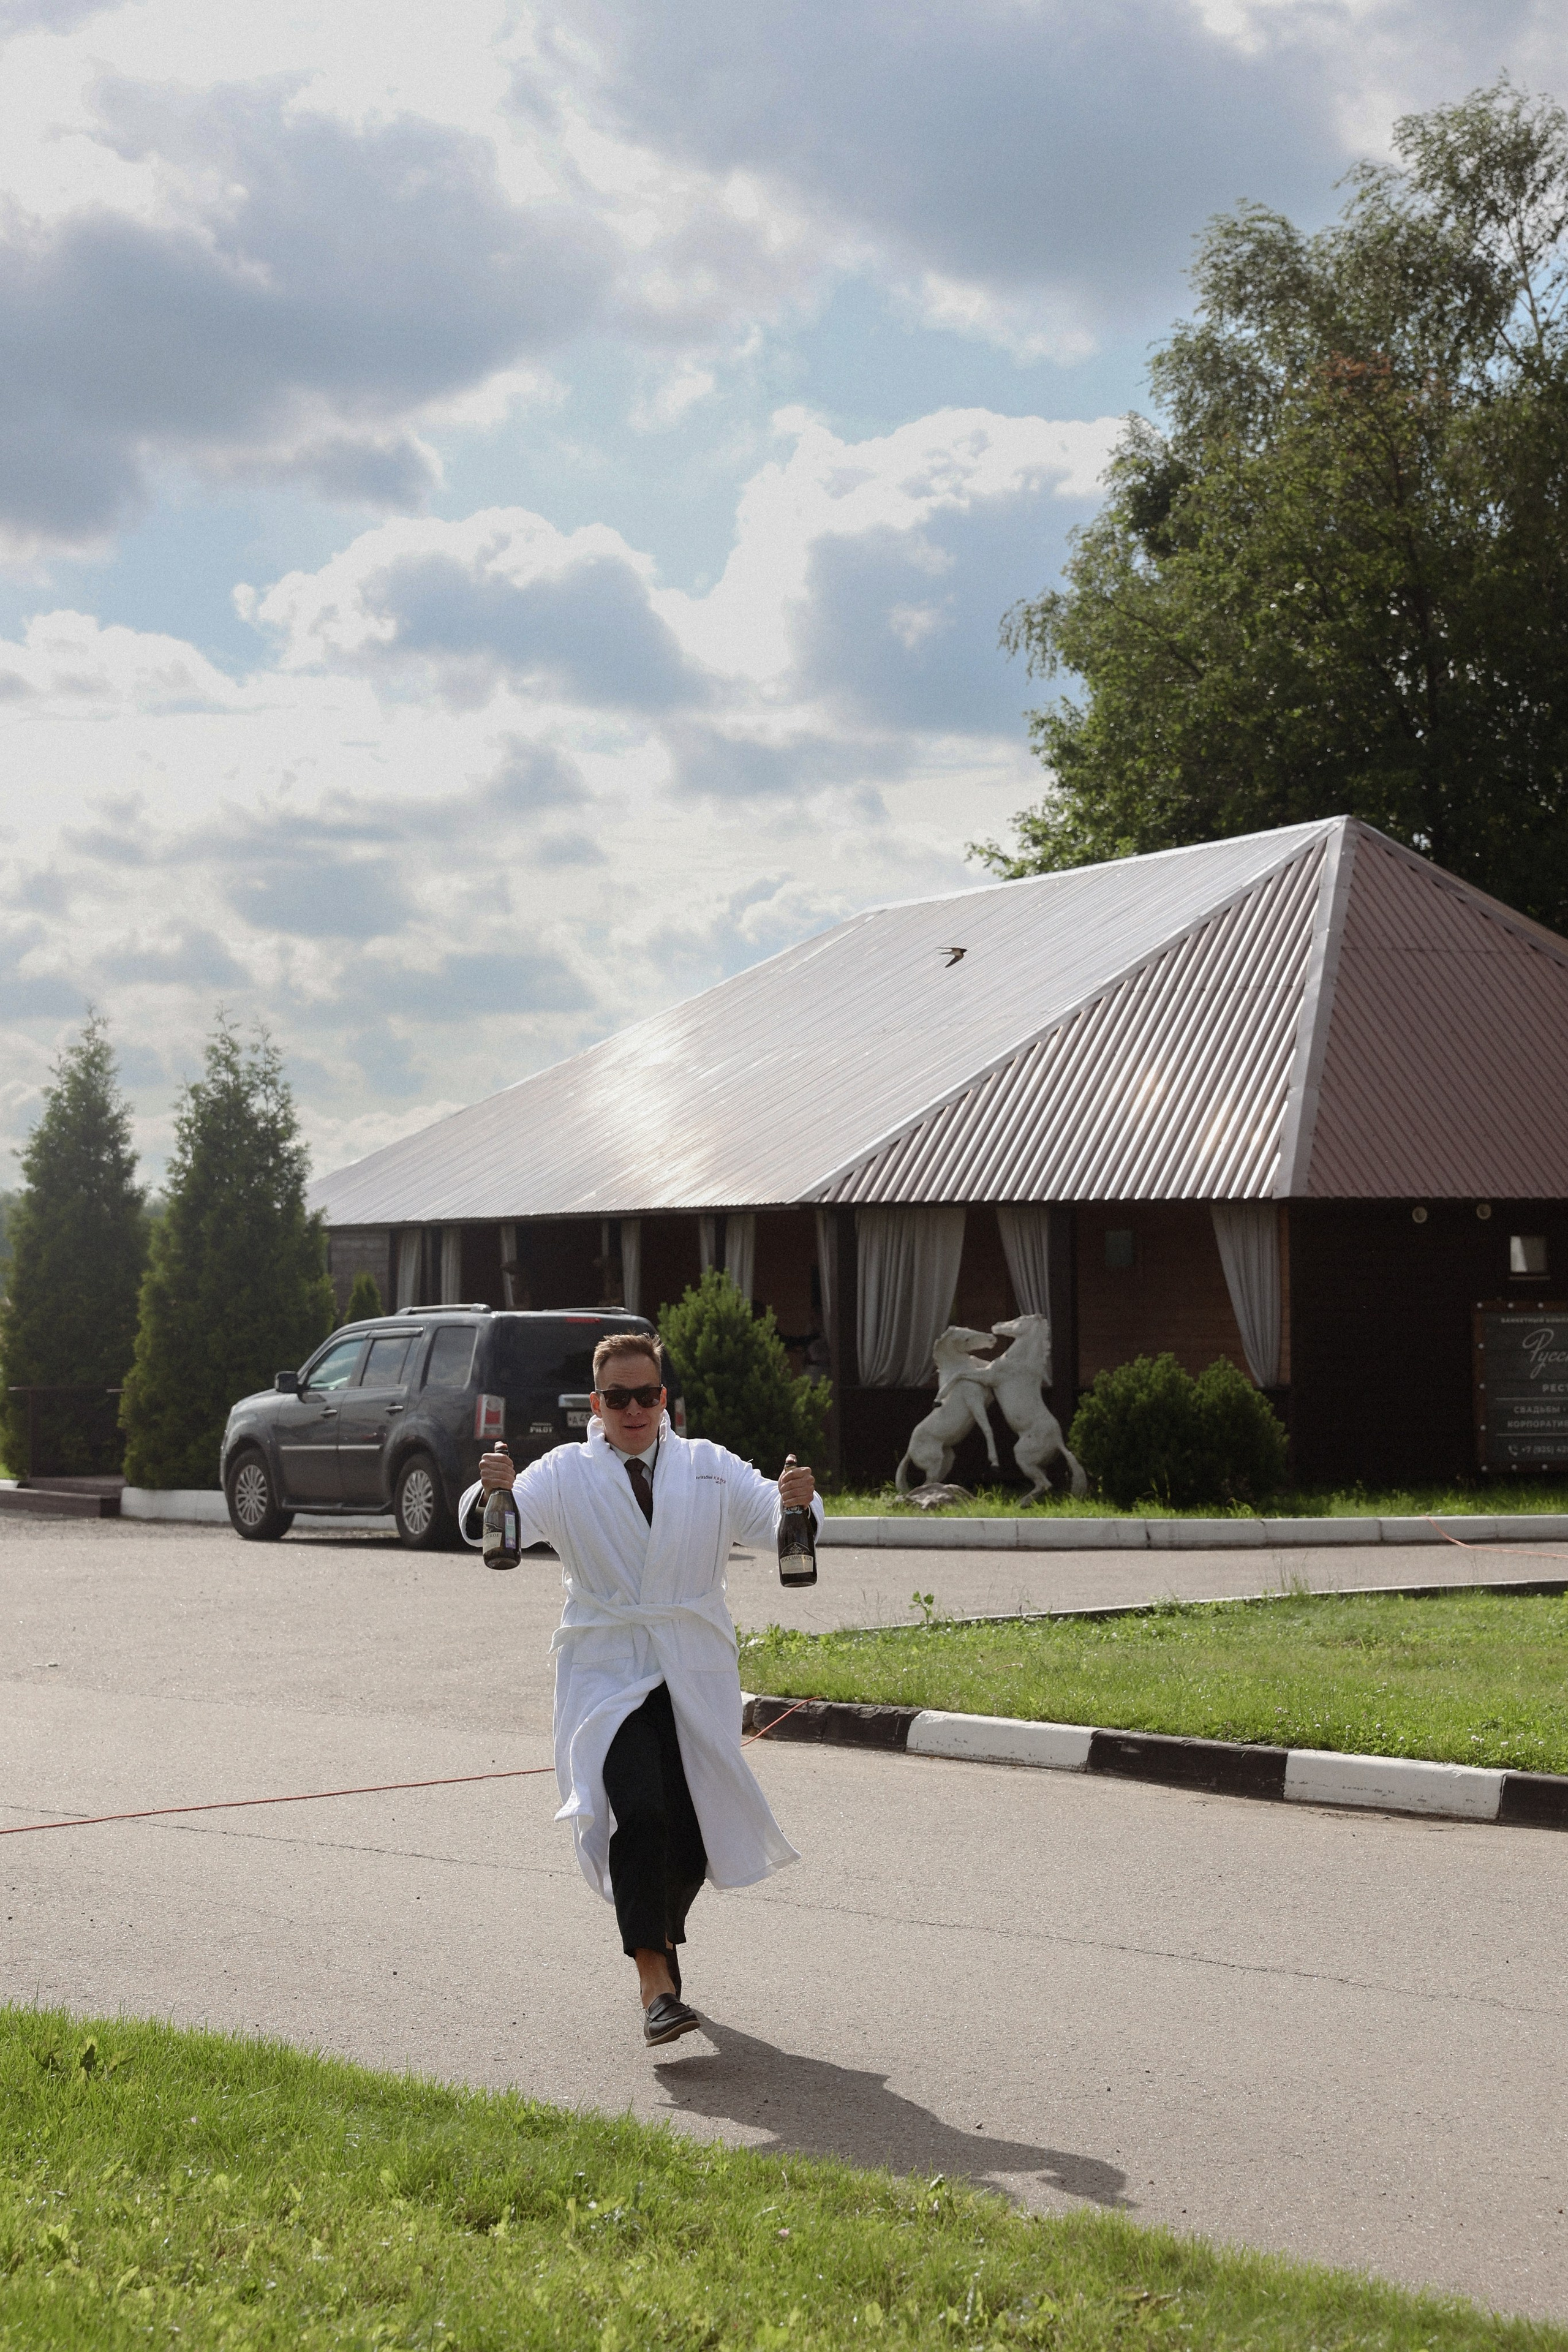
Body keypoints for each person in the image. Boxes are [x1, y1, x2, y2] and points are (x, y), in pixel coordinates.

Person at [459, 1329, 821, 2048]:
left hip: (692, 1665)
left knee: (690, 1831)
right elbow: (496, 1524)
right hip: (608, 1669)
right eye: (618, 1397)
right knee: (639, 1810)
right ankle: (653, 1983)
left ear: (664, 1398)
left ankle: (660, 1934)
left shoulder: (708, 1468)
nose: (634, 1410)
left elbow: (773, 1522)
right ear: (596, 1403)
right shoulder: (565, 1472)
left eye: (646, 1395)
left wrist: (798, 1503)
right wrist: (491, 1490)